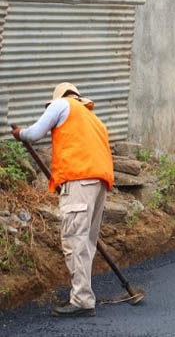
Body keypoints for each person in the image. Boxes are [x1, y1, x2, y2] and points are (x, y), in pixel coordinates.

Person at [11, 83, 113, 317]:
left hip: (79, 180)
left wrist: (20, 134)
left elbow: (34, 134)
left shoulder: (61, 104)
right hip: (99, 182)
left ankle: (82, 300)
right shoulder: (92, 118)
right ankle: (83, 294)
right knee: (86, 241)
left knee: (75, 240)